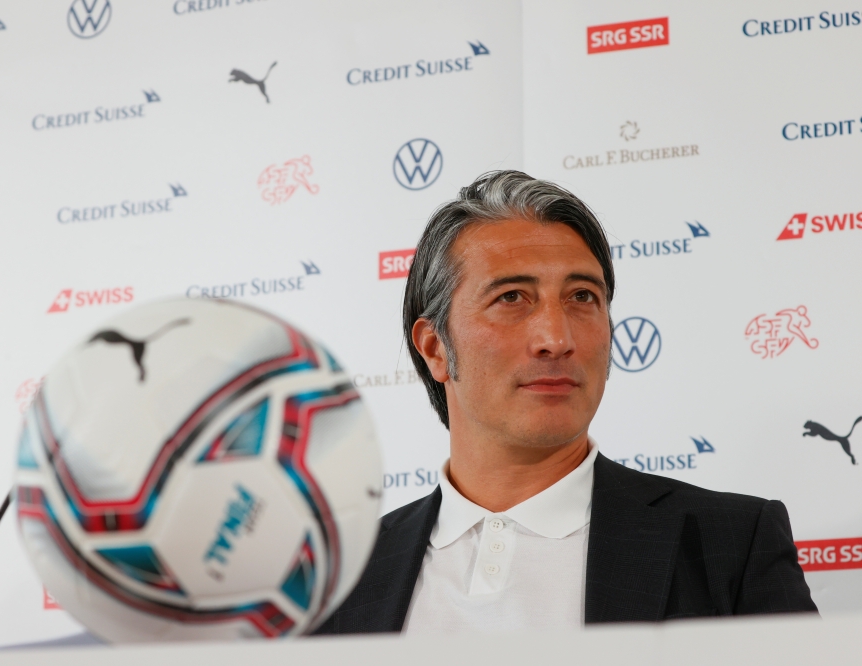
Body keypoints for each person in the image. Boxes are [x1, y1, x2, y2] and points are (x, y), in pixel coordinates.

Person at [315, 170, 816, 635]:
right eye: (512, 297)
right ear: (435, 348)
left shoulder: (729, 544)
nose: (556, 338)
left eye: (582, 297)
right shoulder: (335, 580)